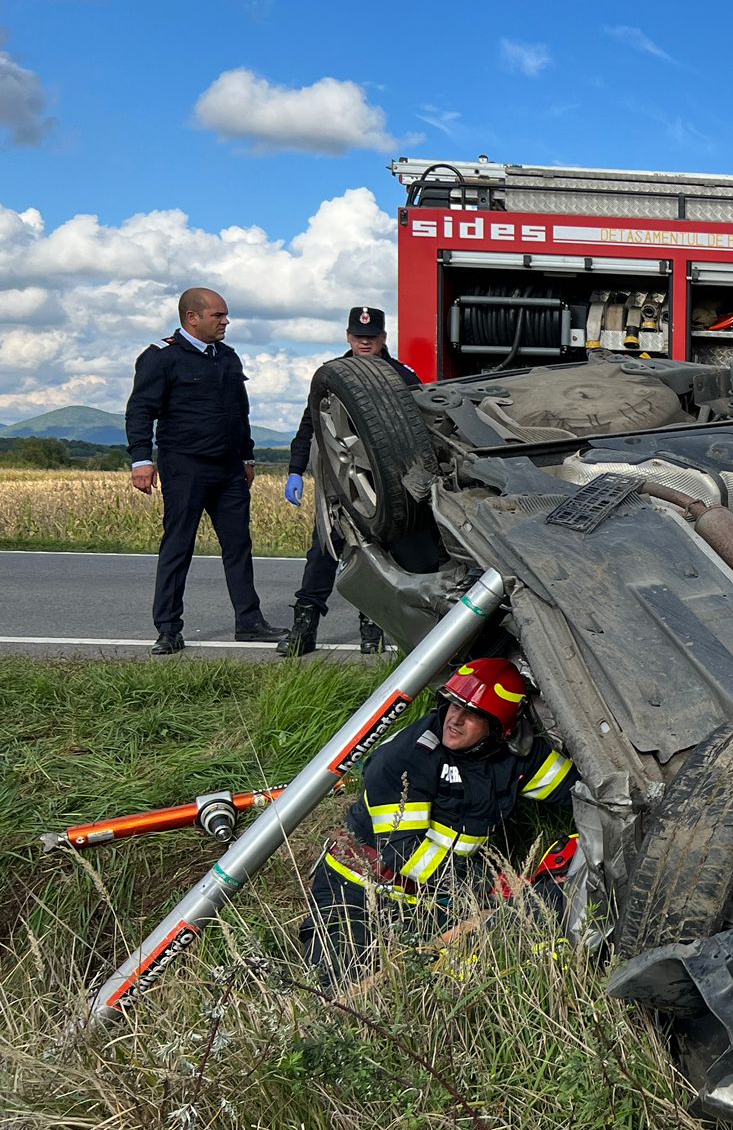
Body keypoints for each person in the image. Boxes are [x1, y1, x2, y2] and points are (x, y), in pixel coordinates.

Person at [300, 656, 575, 984]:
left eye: (472, 713)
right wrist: (486, 884)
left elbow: (582, 791)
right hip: (357, 892)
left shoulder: (518, 756)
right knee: (336, 983)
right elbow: (402, 850)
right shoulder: (407, 757)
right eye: (453, 705)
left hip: (436, 901)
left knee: (473, 972)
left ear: (500, 728)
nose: (455, 719)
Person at [124, 287, 284, 655]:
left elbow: (240, 413)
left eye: (225, 315)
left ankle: (249, 622)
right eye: (218, 315)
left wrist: (247, 458)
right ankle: (168, 629)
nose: (226, 322)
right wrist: (141, 459)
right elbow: (140, 411)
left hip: (228, 468)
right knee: (178, 546)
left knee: (238, 545)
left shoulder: (227, 358)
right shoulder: (162, 357)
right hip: (185, 466)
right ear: (192, 318)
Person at [279, 307, 423, 657]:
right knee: (322, 552)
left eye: (371, 337)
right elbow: (309, 425)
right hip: (337, 480)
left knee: (381, 555)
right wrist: (296, 470)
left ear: (383, 338)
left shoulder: (401, 377)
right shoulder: (333, 375)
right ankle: (304, 629)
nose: (365, 342)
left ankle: (372, 629)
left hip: (384, 483)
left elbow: (421, 429)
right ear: (348, 336)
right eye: (359, 336)